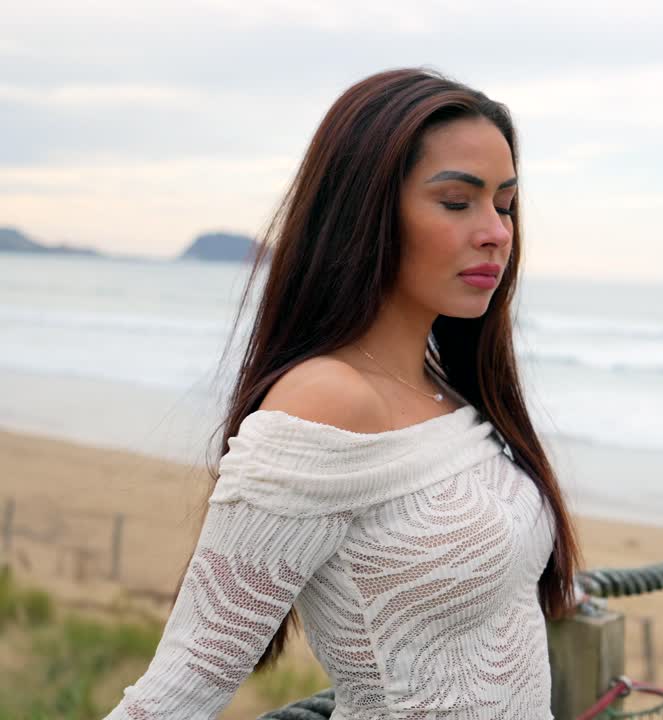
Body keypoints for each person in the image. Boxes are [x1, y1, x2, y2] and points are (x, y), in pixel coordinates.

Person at [104, 68, 581, 720]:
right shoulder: (325, 403)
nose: (496, 231)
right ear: (366, 212)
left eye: (505, 203)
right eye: (456, 202)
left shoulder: (446, 390)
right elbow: (188, 679)